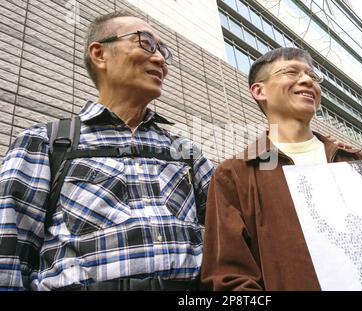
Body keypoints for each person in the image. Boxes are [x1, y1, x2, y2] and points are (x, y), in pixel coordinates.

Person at [200, 47, 362, 290]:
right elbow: (229, 278)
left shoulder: (361, 162)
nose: (308, 80)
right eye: (291, 72)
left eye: (312, 76)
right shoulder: (235, 174)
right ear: (259, 90)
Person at [0, 12, 215, 291]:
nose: (161, 59)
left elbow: (229, 234)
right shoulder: (47, 142)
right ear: (99, 54)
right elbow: (8, 250)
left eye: (163, 51)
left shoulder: (186, 152)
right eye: (146, 43)